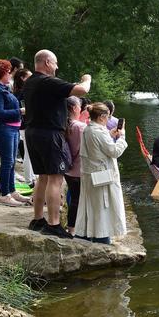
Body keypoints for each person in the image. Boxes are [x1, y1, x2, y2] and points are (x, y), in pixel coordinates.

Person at [23, 49, 91, 239]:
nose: (57, 66)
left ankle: (38, 219)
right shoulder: (47, 81)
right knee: (55, 178)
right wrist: (87, 78)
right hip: (50, 134)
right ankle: (53, 224)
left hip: (33, 132)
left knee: (42, 178)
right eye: (55, 63)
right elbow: (82, 90)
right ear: (46, 63)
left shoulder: (30, 82)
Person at [75, 103, 127, 244]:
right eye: (108, 117)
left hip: (90, 173)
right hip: (102, 175)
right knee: (103, 207)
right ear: (103, 117)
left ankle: (85, 235)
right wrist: (122, 138)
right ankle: (102, 238)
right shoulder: (99, 131)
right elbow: (114, 152)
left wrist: (110, 135)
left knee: (91, 205)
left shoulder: (88, 128)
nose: (109, 120)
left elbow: (98, 145)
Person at [0, 59, 30, 206]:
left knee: (11, 163)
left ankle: (12, 191)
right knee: (7, 162)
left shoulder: (3, 88)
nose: (10, 73)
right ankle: (5, 194)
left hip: (13, 128)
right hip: (4, 129)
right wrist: (20, 111)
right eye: (8, 71)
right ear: (1, 73)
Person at [65, 96, 87, 235]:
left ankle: (71, 227)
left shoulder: (64, 124)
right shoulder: (80, 126)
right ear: (74, 108)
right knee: (78, 200)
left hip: (68, 169)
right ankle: (75, 228)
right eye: (79, 106)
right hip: (79, 169)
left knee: (74, 199)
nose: (81, 109)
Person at [12, 68, 36, 187]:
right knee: (28, 152)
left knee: (29, 152)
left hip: (24, 125)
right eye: (29, 76)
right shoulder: (23, 92)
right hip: (25, 125)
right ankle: (29, 179)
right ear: (22, 78)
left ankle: (31, 178)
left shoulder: (19, 91)